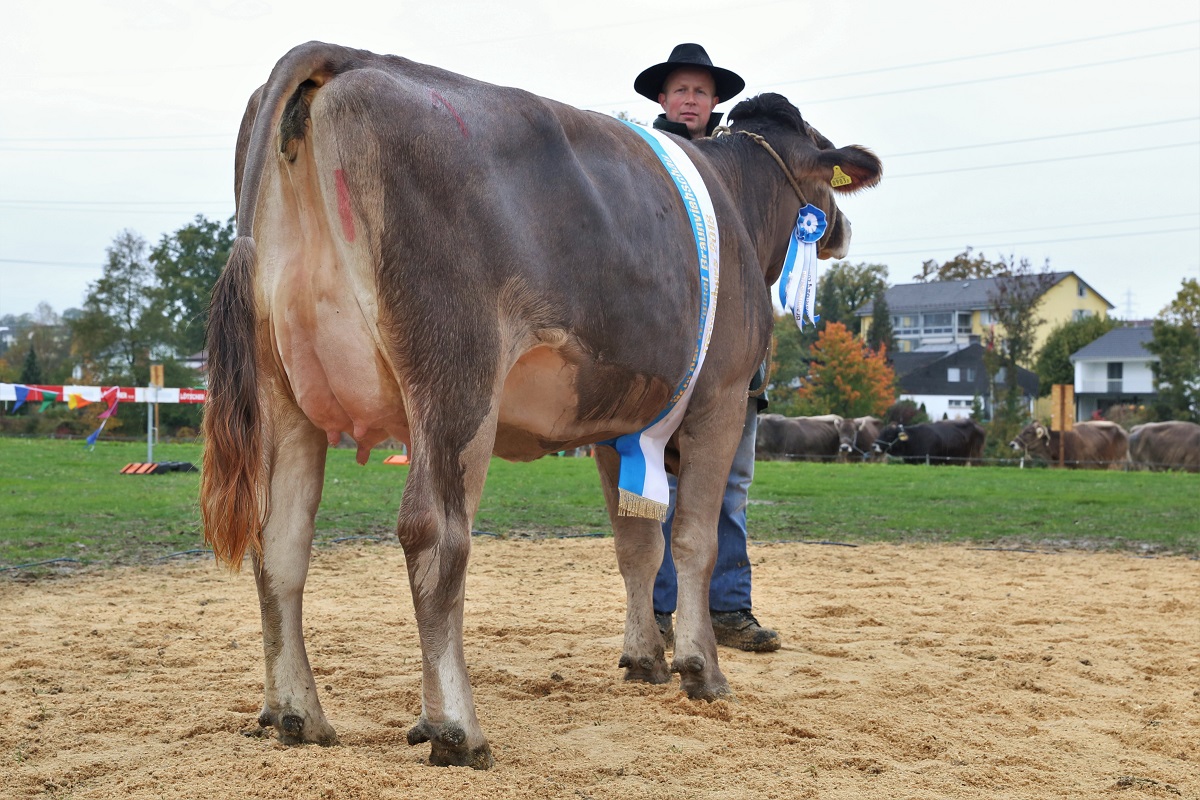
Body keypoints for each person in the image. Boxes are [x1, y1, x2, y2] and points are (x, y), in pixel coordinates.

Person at [633, 43, 780, 652]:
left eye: (700, 90)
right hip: (660, 355)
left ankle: (729, 610)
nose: (689, 99)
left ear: (716, 100)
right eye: (679, 90)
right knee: (650, 488)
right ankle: (658, 611)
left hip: (734, 353)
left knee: (730, 485)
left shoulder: (746, 166)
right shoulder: (639, 158)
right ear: (662, 100)